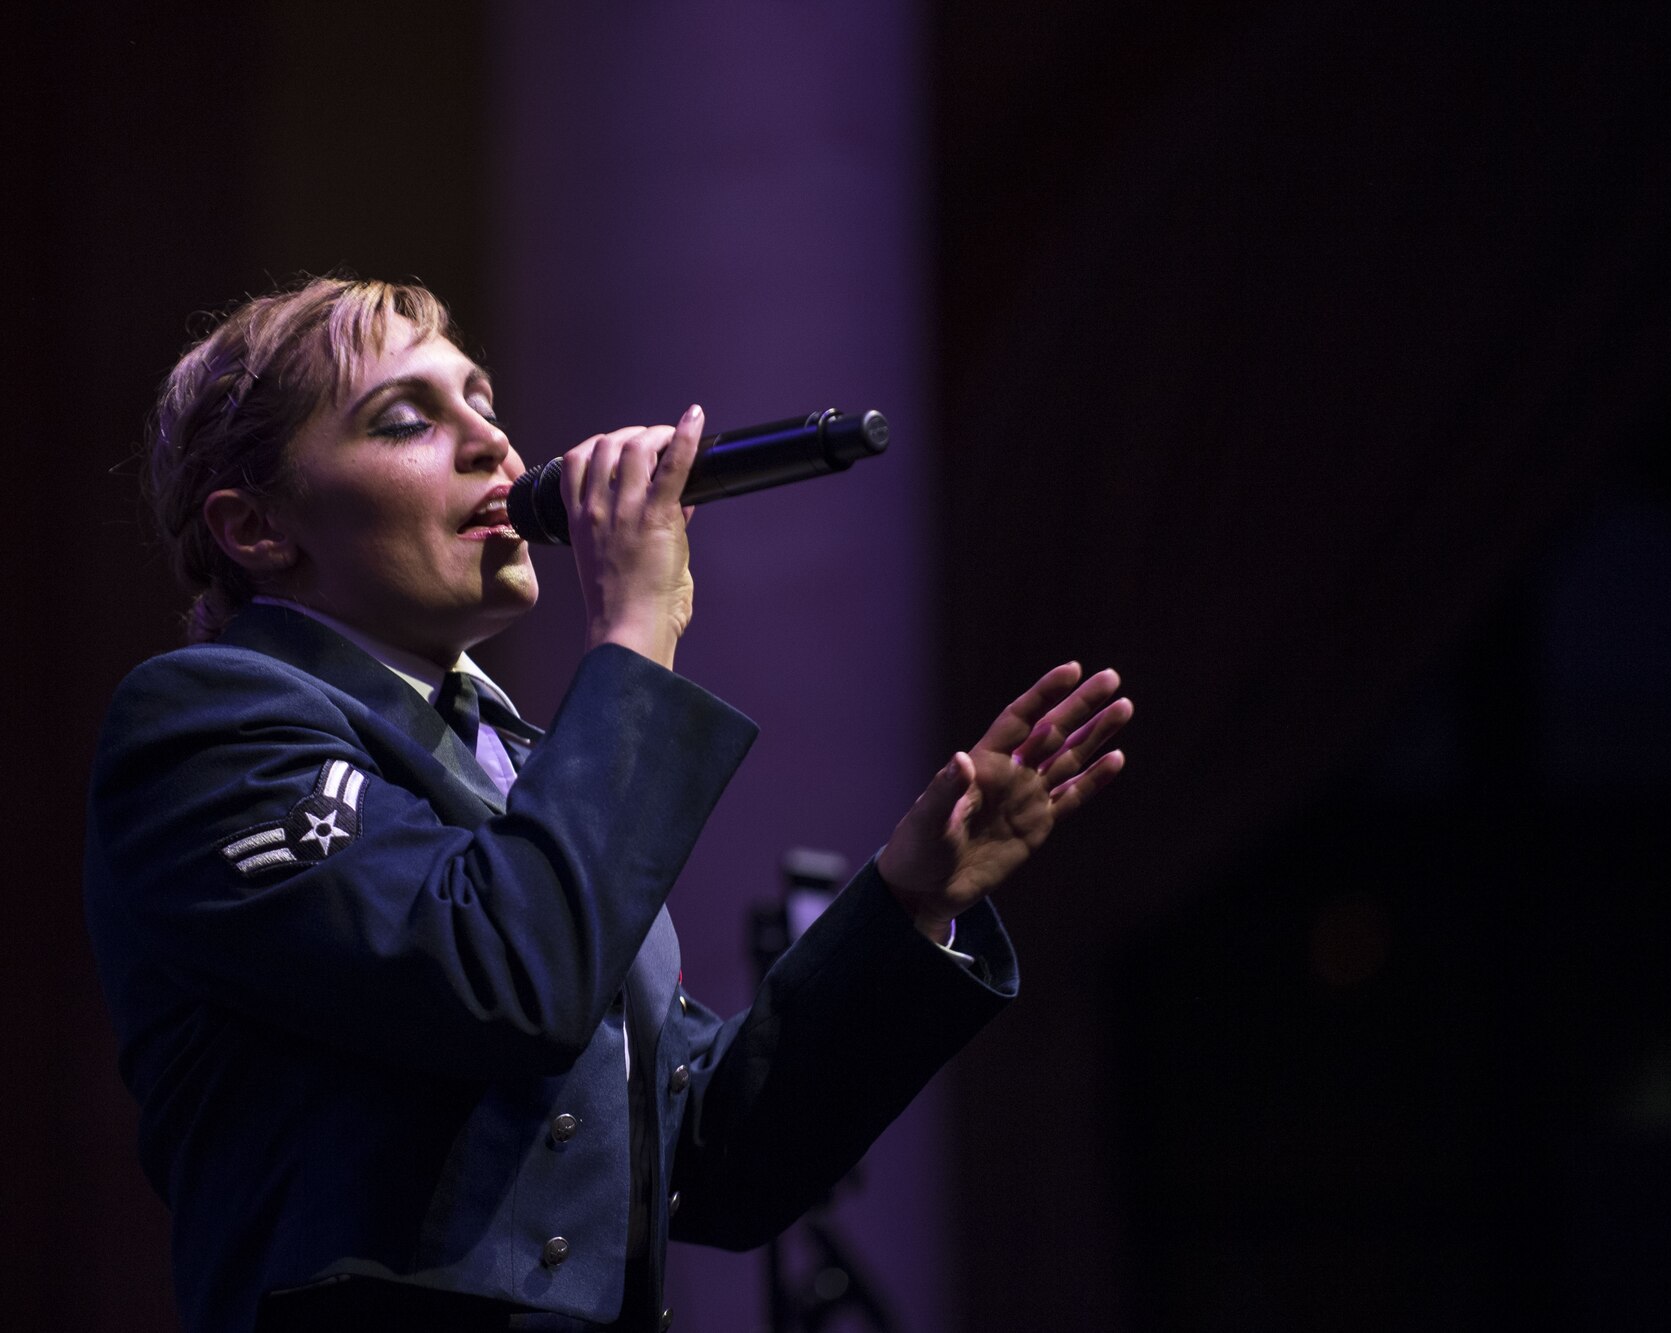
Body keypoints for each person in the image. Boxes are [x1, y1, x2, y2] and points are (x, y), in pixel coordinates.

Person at [83, 276, 1132, 1333]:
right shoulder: (207, 724)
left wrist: (907, 906)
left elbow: (719, 1158)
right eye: (406, 420)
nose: (493, 443)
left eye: (483, 402)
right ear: (256, 527)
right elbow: (506, 975)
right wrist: (632, 632)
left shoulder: (520, 762)